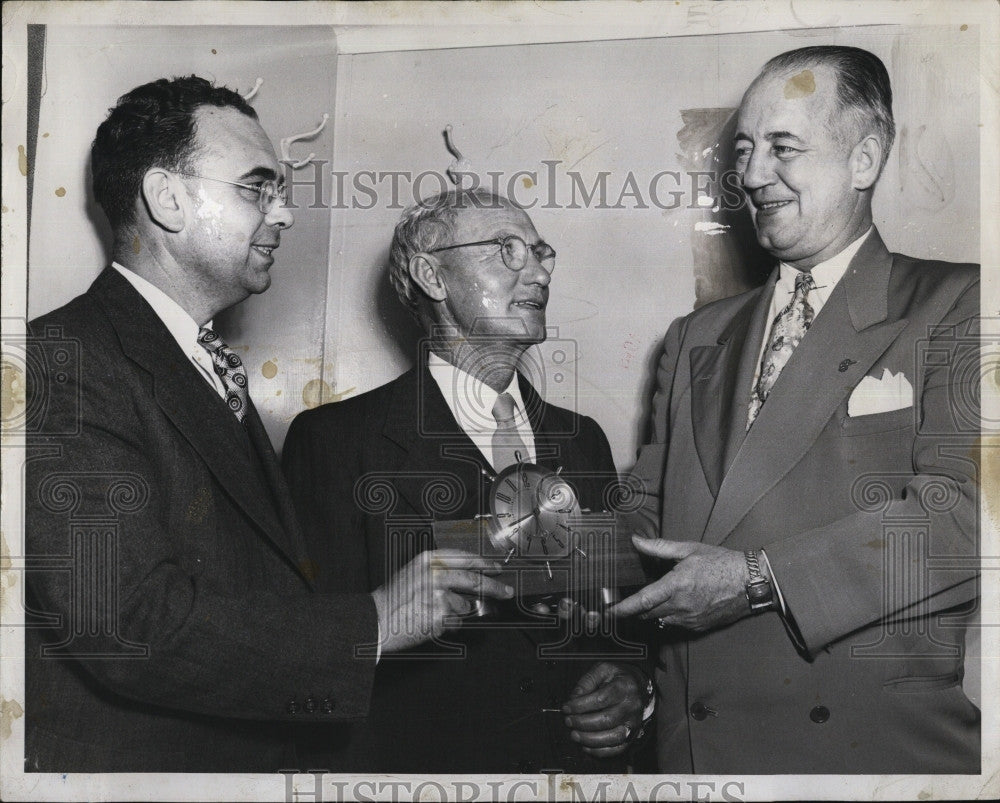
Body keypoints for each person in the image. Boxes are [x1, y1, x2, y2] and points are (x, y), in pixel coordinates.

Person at [24, 76, 512, 773]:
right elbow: (126, 624)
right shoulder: (57, 363)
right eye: (256, 188)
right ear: (167, 199)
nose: (282, 214)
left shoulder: (194, 358)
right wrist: (374, 620)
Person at [612, 45, 980, 773]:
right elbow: (647, 510)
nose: (750, 176)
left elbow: (969, 515)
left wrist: (758, 579)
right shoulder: (693, 339)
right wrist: (550, 536)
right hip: (694, 754)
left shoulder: (960, 303)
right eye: (744, 150)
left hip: (863, 757)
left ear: (865, 159)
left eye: (782, 146)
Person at [282, 189, 653, 773]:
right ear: (431, 275)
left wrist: (631, 685)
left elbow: (609, 620)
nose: (536, 270)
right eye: (505, 249)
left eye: (539, 251)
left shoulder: (584, 440)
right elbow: (314, 652)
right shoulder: (334, 442)